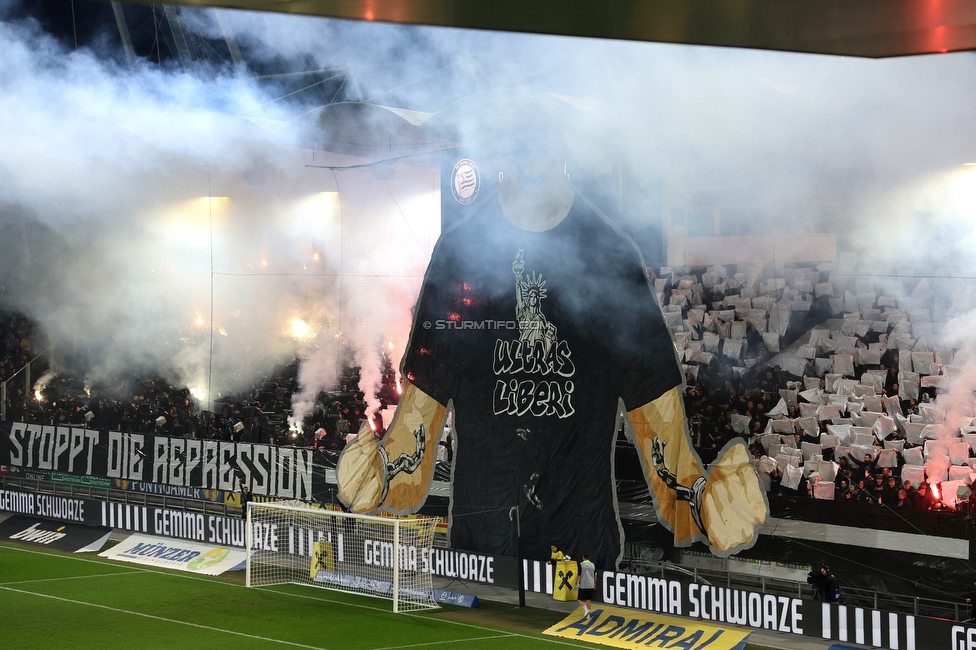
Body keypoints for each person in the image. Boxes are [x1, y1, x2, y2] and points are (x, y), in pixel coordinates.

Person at [335, 130, 768, 568]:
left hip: (581, 557)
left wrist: (699, 499)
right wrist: (383, 474)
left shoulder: (610, 257)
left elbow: (655, 412)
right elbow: (421, 410)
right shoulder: (460, 254)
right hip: (483, 556)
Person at [576, 553, 597, 620]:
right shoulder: (593, 565)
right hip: (591, 584)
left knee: (580, 599)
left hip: (584, 584)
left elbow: (579, 575)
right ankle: (588, 615)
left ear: (583, 557)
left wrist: (576, 582)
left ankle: (586, 610)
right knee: (588, 599)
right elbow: (595, 575)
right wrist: (594, 583)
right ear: (589, 558)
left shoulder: (581, 564)